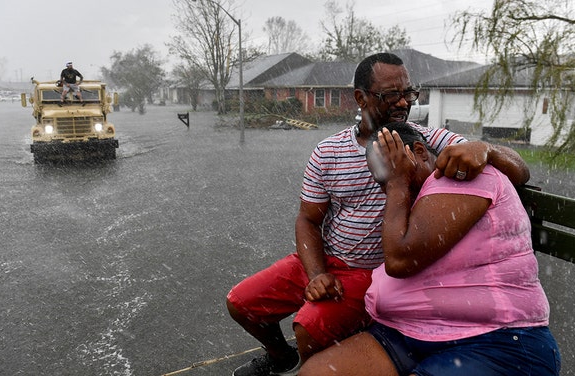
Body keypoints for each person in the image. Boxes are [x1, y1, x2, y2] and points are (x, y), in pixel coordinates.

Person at [226, 52, 531, 376]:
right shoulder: (329, 151)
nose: (403, 103)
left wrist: (485, 148)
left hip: (370, 272)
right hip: (323, 259)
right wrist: (316, 274)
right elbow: (308, 220)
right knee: (241, 303)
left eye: (408, 93)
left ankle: (316, 364)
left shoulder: (425, 138)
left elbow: (520, 170)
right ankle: (281, 357)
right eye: (391, 95)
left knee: (309, 327)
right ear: (361, 97)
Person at [298, 122, 561, 376]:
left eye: (389, 172)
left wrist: (398, 182)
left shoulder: (462, 175)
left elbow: (402, 259)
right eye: (381, 180)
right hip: (406, 333)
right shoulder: (415, 196)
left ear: (420, 152)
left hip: (494, 338)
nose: (385, 188)